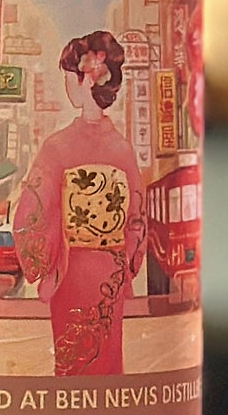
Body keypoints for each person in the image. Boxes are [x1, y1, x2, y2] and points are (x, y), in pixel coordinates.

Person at [10, 30, 145, 376]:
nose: (67, 84)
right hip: (110, 272)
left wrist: (44, 263)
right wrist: (125, 266)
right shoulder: (123, 150)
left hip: (70, 270)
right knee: (107, 354)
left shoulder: (58, 147)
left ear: (87, 79)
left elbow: (30, 213)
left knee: (74, 359)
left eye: (69, 76)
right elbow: (136, 217)